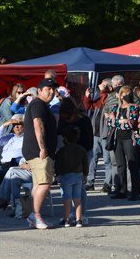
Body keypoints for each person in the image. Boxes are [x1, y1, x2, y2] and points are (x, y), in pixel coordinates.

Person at [22, 78, 59, 230]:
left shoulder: (42, 105)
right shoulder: (38, 104)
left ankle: (34, 215)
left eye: (53, 89)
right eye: (47, 89)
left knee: (38, 183)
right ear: (39, 91)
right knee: (45, 183)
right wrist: (43, 147)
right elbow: (38, 124)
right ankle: (35, 216)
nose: (51, 91)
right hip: (38, 151)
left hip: (36, 150)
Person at [57, 97, 93, 222]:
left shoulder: (84, 121)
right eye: (64, 118)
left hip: (82, 153)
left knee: (80, 187)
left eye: (68, 118)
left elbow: (89, 144)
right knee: (67, 188)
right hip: (68, 153)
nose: (67, 121)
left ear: (74, 113)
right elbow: (58, 133)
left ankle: (81, 214)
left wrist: (85, 172)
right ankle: (71, 213)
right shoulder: (63, 121)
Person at [107, 85, 140, 200]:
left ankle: (135, 192)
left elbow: (131, 124)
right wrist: (122, 121)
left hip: (129, 139)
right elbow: (109, 123)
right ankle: (122, 190)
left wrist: (119, 121)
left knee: (132, 164)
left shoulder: (134, 107)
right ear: (120, 96)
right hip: (118, 138)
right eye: (124, 94)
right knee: (120, 165)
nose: (126, 96)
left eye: (128, 93)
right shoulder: (116, 107)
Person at [83, 78, 113, 192]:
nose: (100, 86)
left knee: (107, 160)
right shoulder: (100, 98)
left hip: (105, 134)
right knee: (92, 159)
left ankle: (107, 184)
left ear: (108, 87)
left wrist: (102, 91)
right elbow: (89, 106)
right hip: (95, 133)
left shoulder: (110, 98)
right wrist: (87, 96)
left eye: (103, 85)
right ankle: (90, 182)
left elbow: (105, 102)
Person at [55, 126, 87, 228]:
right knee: (77, 199)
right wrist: (85, 175)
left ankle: (66, 220)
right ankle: (79, 220)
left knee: (67, 199)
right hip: (78, 175)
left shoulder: (62, 151)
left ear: (65, 138)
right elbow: (85, 163)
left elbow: (58, 165)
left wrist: (57, 175)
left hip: (66, 176)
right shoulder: (82, 150)